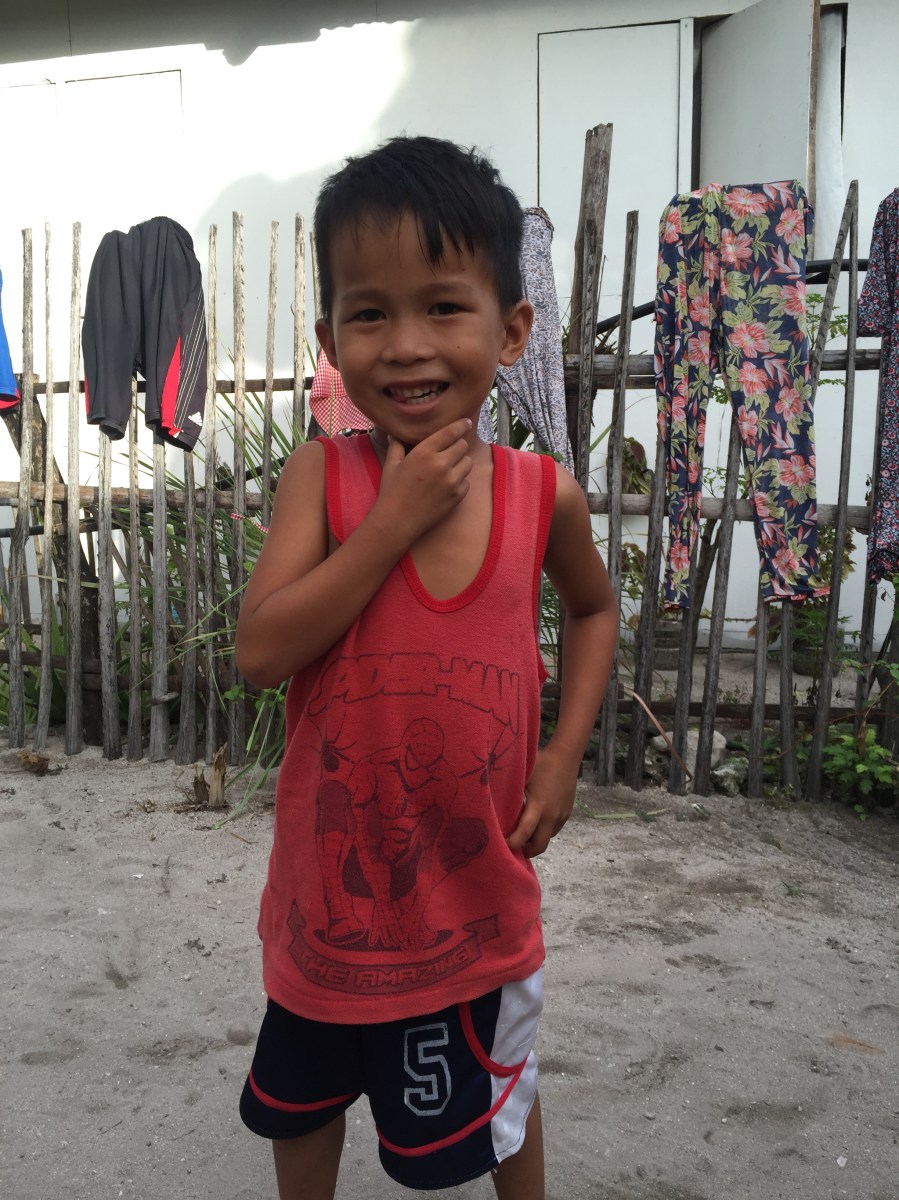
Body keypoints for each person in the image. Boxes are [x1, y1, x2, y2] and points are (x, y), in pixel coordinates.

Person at [234, 134, 618, 1200]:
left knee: (497, 1106)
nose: (406, 346)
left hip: (474, 907)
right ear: (330, 339)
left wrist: (561, 757)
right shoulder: (322, 479)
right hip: (327, 909)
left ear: (511, 330)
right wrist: (390, 524)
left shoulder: (541, 495)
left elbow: (593, 609)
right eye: (369, 314)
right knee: (301, 1102)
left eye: (444, 307)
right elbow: (261, 654)